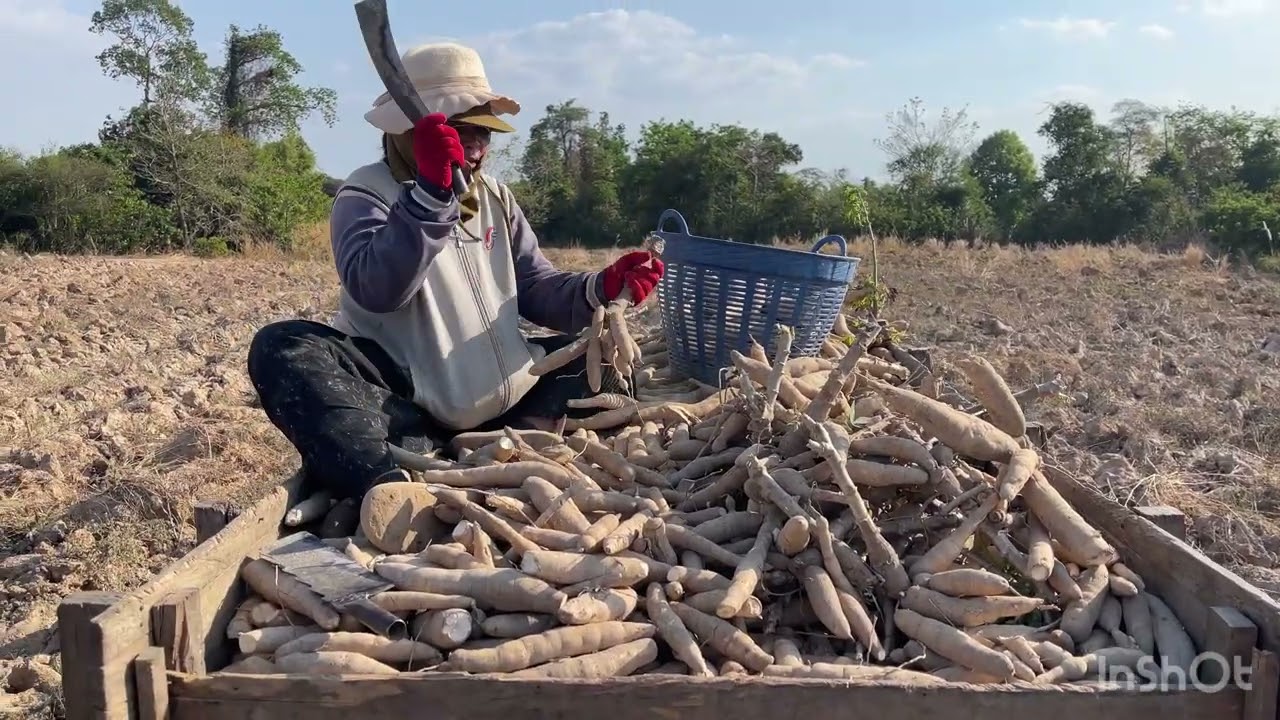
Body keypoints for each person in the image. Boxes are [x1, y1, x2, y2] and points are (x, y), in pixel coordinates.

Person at [246, 41, 664, 500]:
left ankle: (512, 440)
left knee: (592, 356)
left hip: (509, 393)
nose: (478, 148)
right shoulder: (365, 194)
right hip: (409, 404)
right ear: (410, 132)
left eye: (484, 134)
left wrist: (600, 287)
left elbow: (536, 286)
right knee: (281, 348)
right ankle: (391, 483)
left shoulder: (496, 198)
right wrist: (428, 196)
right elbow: (377, 290)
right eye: (461, 132)